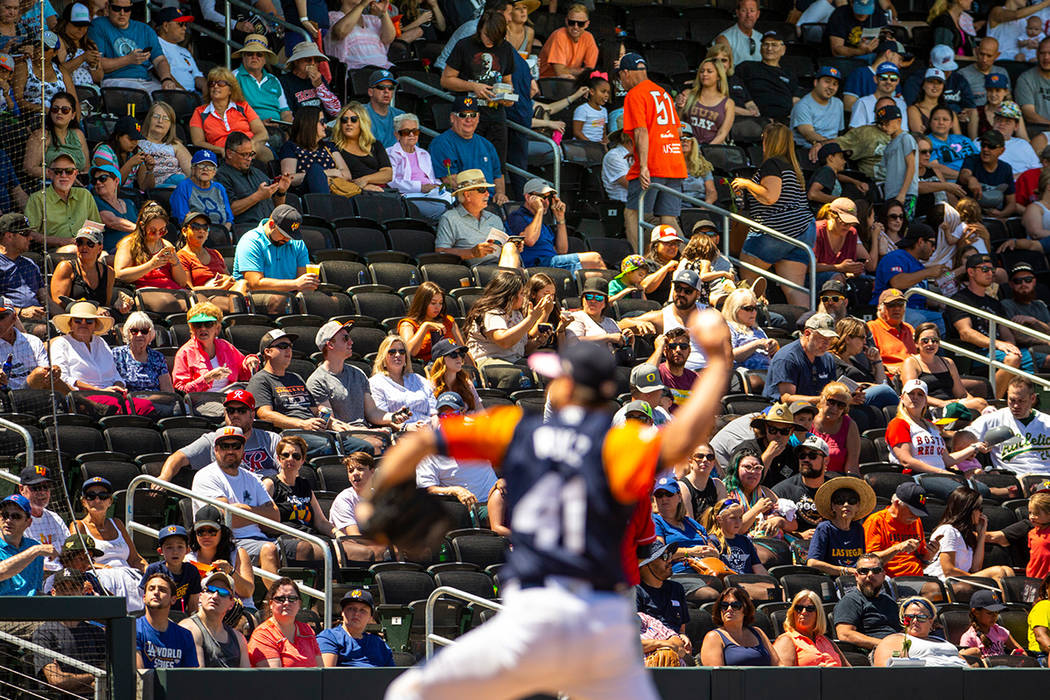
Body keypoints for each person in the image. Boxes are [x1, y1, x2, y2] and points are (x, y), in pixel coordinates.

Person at [374, 310, 732, 700]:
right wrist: (718, 359)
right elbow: (685, 437)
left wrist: (377, 502)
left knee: (409, 693)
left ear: (564, 387)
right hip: (603, 623)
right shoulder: (621, 446)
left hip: (536, 616)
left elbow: (422, 441)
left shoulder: (520, 432)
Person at [249, 329, 372, 457]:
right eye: (283, 346)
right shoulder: (260, 379)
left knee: (364, 447)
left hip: (315, 431)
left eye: (290, 346)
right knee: (328, 447)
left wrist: (327, 418)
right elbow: (265, 414)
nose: (288, 350)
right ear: (268, 352)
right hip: (290, 435)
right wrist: (302, 424)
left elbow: (315, 410)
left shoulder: (295, 378)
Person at [733, 123, 814, 307]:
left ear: (769, 141)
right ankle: (807, 325)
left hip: (778, 229)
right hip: (804, 228)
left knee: (747, 278)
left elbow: (770, 196)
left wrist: (747, 184)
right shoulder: (792, 166)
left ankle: (747, 319)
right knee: (794, 288)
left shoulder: (772, 164)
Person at [947, 253, 1046, 386]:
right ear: (971, 272)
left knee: (1026, 358)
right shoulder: (960, 299)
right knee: (1013, 359)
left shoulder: (995, 303)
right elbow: (966, 333)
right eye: (984, 269)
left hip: (996, 349)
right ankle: (993, 400)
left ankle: (1026, 399)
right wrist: (997, 344)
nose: (990, 273)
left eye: (992, 270)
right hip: (974, 352)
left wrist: (1010, 345)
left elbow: (1006, 333)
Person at [190, 425, 280, 571]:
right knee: (269, 550)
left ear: (243, 449)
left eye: (236, 446)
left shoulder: (252, 478)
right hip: (229, 542)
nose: (230, 451)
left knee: (307, 548)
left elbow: (275, 518)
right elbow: (226, 519)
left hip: (262, 538)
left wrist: (242, 509)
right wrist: (260, 515)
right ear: (216, 449)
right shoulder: (206, 476)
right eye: (225, 446)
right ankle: (278, 594)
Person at [619, 52, 687, 243]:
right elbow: (678, 132)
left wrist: (643, 166)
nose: (621, 82)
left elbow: (641, 131)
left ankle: (639, 260)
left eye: (620, 77)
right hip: (674, 162)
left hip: (654, 163)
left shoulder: (635, 94)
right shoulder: (663, 92)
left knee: (632, 213)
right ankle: (691, 259)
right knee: (669, 219)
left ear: (626, 73)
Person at [308, 320, 407, 446]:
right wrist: (366, 432)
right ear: (330, 345)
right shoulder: (317, 381)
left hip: (365, 432)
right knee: (379, 445)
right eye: (345, 338)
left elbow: (372, 412)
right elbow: (331, 423)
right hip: (343, 437)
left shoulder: (358, 374)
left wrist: (393, 417)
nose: (351, 342)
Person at [441, 8, 516, 167]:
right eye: (487, 36)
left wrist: (508, 96)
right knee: (469, 164)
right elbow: (446, 80)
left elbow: (508, 80)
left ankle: (498, 192)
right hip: (468, 112)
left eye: (495, 39)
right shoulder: (465, 45)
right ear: (480, 28)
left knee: (497, 164)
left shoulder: (505, 48)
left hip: (496, 114)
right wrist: (473, 86)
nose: (490, 41)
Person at [262, 435, 337, 566]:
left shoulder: (304, 485)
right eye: (285, 455)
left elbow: (321, 522)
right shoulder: (270, 484)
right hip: (287, 539)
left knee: (343, 548)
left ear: (302, 460)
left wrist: (339, 535)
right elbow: (263, 521)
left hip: (310, 536)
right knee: (316, 549)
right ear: (279, 459)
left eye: (296, 456)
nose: (290, 459)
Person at [506, 178, 604, 271]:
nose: (546, 203)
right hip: (536, 265)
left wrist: (560, 219)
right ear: (528, 197)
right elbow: (530, 240)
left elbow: (562, 250)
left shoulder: (542, 224)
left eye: (548, 198)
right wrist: (539, 211)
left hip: (552, 263)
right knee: (595, 258)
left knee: (592, 274)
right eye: (543, 197)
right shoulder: (516, 217)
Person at [32, 568, 105, 692]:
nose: (68, 593)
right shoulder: (43, 633)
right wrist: (95, 676)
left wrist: (71, 682)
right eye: (63, 589)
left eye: (73, 588)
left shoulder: (96, 632)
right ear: (53, 592)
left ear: (82, 592)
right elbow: (56, 681)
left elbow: (109, 677)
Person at [465, 269, 550, 372]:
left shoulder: (516, 314)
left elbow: (522, 350)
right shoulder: (491, 312)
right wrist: (531, 319)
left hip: (514, 360)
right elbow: (504, 341)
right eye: (521, 294)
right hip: (489, 361)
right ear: (510, 296)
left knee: (547, 370)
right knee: (513, 374)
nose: (524, 297)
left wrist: (538, 341)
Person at [650, 476, 720, 603]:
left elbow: (713, 550)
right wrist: (691, 551)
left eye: (668, 494)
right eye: (659, 495)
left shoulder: (692, 523)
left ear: (679, 496)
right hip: (678, 574)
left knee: (737, 591)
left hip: (706, 570)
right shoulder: (655, 522)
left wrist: (712, 552)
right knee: (712, 595)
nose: (664, 499)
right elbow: (659, 555)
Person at [962, 376, 1050, 476]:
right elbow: (962, 438)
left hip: (1046, 478)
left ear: (1032, 398)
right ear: (1007, 395)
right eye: (1012, 400)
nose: (1016, 406)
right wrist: (976, 446)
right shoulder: (993, 419)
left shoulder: (1047, 422)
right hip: (1013, 480)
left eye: (1021, 401)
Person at [924, 485, 1013, 585]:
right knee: (999, 572)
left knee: (1007, 571)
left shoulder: (965, 535)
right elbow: (949, 571)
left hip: (959, 582)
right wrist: (973, 579)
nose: (981, 513)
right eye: (979, 508)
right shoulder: (948, 530)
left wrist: (981, 534)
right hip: (943, 583)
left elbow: (976, 568)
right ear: (969, 511)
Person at [87, 0, 180, 93]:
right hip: (115, 81)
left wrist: (166, 79)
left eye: (127, 9)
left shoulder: (145, 29)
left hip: (145, 82)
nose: (122, 13)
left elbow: (160, 60)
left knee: (177, 96)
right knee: (140, 93)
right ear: (107, 7)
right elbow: (97, 64)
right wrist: (128, 59)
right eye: (117, 8)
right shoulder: (98, 25)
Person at [429, 95, 507, 204]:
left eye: (473, 115)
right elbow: (450, 180)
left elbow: (498, 175)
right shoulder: (442, 143)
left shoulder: (486, 144)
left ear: (478, 118)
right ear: (452, 118)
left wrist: (500, 194)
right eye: (463, 115)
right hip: (465, 201)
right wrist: (479, 196)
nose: (468, 119)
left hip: (491, 201)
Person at [871, 224, 945, 333]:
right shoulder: (895, 256)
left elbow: (917, 296)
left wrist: (939, 302)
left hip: (916, 310)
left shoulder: (918, 265)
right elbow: (897, 282)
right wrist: (928, 272)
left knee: (942, 318)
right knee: (924, 320)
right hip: (891, 310)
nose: (933, 249)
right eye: (932, 243)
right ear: (920, 241)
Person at [184, 505, 257, 615]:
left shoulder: (238, 553)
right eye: (201, 531)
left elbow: (247, 592)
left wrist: (231, 572)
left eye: (212, 531)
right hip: (204, 611)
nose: (206, 536)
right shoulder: (188, 559)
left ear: (222, 532)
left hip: (239, 612)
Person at [172, 302, 259, 394]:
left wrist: (250, 361)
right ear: (192, 329)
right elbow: (180, 390)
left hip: (231, 397)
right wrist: (207, 378)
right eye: (197, 325)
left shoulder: (225, 346)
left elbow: (244, 373)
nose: (203, 328)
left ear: (217, 328)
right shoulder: (185, 352)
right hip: (203, 400)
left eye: (208, 324)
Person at [900, 322, 987, 413]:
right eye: (925, 341)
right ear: (916, 343)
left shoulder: (948, 363)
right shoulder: (911, 363)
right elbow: (912, 395)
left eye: (934, 340)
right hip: (929, 410)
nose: (930, 344)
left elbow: (962, 394)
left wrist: (979, 404)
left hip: (951, 405)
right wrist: (942, 403)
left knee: (982, 404)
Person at [232, 204, 319, 294]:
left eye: (291, 236)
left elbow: (304, 284)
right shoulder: (251, 241)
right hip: (253, 297)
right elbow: (254, 284)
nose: (288, 239)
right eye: (284, 235)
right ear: (272, 224)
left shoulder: (297, 243)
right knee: (278, 300)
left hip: (290, 297)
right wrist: (295, 284)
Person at [216, 131, 291, 227]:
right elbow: (228, 211)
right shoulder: (221, 175)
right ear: (229, 154)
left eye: (251, 154)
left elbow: (277, 208)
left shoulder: (257, 172)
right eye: (244, 154)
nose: (249, 158)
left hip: (270, 228)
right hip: (245, 230)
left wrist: (281, 192)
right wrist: (258, 196)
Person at [178, 571, 250, 668]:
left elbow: (247, 679)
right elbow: (195, 677)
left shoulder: (239, 638)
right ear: (200, 596)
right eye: (211, 590)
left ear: (231, 604)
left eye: (223, 592)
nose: (215, 596)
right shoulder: (189, 629)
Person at [24, 153, 100, 244]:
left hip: (85, 249)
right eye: (58, 171)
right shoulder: (38, 199)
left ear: (75, 173)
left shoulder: (85, 195)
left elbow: (96, 227)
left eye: (69, 171)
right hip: (53, 252)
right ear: (50, 173)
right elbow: (30, 233)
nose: (64, 175)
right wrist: (63, 242)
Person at [113, 202, 191, 290]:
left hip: (173, 291)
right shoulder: (129, 244)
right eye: (152, 231)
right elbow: (120, 275)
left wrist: (175, 263)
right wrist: (151, 265)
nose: (157, 235)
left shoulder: (166, 245)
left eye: (162, 231)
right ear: (142, 226)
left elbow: (182, 282)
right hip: (147, 293)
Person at [863, 482, 935, 577]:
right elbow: (870, 562)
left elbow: (923, 564)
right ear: (897, 503)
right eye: (913, 511)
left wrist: (930, 553)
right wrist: (897, 548)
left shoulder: (916, 521)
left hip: (917, 578)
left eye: (919, 513)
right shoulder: (876, 521)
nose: (916, 516)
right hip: (890, 580)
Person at [386, 112, 451, 217]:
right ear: (397, 135)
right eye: (406, 132)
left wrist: (438, 186)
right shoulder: (390, 153)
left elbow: (432, 179)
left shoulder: (424, 153)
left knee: (457, 201)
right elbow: (391, 181)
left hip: (431, 194)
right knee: (444, 210)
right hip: (409, 196)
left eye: (415, 131)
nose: (412, 135)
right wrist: (420, 187)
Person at [873, 596, 970, 667]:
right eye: (909, 617)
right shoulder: (895, 639)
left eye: (921, 617)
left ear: (931, 621)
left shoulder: (944, 642)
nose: (914, 621)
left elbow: (967, 666)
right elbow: (885, 671)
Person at [806, 476, 875, 576]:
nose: (846, 504)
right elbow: (812, 563)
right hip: (833, 581)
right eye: (840, 501)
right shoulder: (825, 528)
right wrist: (844, 571)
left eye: (852, 501)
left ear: (857, 506)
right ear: (833, 506)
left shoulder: (858, 529)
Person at [832, 552, 902, 649]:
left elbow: (901, 629)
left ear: (883, 576)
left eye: (876, 570)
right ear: (856, 576)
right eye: (864, 571)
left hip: (899, 648)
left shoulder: (889, 601)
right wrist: (885, 645)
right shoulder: (850, 601)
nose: (870, 574)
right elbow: (845, 634)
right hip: (872, 653)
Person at [763, 314, 838, 404]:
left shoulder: (827, 358)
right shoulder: (787, 358)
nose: (827, 344)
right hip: (783, 413)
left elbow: (831, 390)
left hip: (816, 411)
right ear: (807, 334)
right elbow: (786, 399)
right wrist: (823, 400)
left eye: (830, 339)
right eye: (822, 338)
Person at [248, 578, 322, 667]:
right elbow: (274, 677)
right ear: (271, 604)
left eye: (292, 598)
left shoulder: (307, 630)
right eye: (280, 599)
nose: (287, 603)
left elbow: (321, 670)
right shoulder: (263, 635)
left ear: (299, 604)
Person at [279, 106, 351, 195]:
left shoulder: (329, 146)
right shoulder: (291, 147)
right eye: (321, 122)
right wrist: (325, 173)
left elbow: (347, 175)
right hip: (308, 196)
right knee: (315, 170)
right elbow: (288, 178)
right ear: (309, 123)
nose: (325, 125)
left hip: (336, 191)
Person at [699, 586, 778, 666]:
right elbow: (716, 675)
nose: (729, 609)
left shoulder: (758, 632)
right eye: (724, 606)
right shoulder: (713, 637)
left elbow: (778, 664)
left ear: (745, 610)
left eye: (735, 605)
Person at [368, 334, 436, 426]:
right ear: (383, 357)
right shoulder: (375, 383)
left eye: (402, 352)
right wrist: (406, 428)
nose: (397, 355)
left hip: (428, 430)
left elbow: (434, 413)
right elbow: (382, 417)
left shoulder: (419, 380)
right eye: (391, 352)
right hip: (400, 432)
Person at [136, 573, 199, 669]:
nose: (156, 592)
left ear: (173, 599)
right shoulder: (133, 629)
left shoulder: (185, 636)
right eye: (151, 589)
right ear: (144, 598)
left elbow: (190, 677)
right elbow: (139, 676)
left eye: (162, 590)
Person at [23, 90, 88, 182]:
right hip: (49, 186)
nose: (59, 112)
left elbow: (86, 169)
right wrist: (60, 175)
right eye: (55, 109)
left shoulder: (78, 134)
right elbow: (29, 168)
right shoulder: (41, 135)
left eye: (65, 110)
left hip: (77, 186)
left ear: (73, 115)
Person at [318, 589, 394, 667]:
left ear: (370, 617)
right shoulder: (330, 637)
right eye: (351, 609)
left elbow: (394, 675)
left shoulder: (379, 643)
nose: (356, 613)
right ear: (342, 612)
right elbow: (327, 674)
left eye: (362, 610)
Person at [774, 589, 850, 666]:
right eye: (799, 608)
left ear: (818, 614)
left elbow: (850, 672)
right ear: (793, 612)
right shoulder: (786, 640)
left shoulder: (828, 642)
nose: (803, 612)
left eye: (810, 609)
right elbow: (784, 676)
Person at [958, 129, 1021, 220]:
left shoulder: (1006, 168)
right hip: (970, 217)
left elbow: (1011, 203)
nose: (985, 149)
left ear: (1002, 150)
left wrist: (1001, 214)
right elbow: (964, 174)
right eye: (983, 145)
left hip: (996, 218)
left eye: (991, 146)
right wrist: (971, 179)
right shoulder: (971, 160)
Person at [398, 283, 466, 363]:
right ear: (422, 303)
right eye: (433, 303)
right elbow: (410, 351)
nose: (437, 307)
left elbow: (463, 351)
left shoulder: (448, 321)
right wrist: (425, 326)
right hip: (425, 368)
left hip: (451, 366)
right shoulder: (408, 324)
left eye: (440, 303)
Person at [0, 494, 54, 596]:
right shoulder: (35, 549)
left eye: (16, 516)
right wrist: (34, 551)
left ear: (28, 522)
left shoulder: (34, 546)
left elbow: (35, 589)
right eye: (5, 515)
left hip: (30, 608)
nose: (8, 520)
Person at [333, 101, 393, 192]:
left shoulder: (375, 145)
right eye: (344, 120)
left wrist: (364, 180)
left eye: (354, 119)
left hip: (381, 192)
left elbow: (388, 174)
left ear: (362, 122)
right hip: (353, 194)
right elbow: (335, 179)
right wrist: (361, 187)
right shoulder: (333, 147)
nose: (348, 123)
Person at [232, 35, 291, 126]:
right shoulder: (233, 77)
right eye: (250, 54)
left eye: (259, 54)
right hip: (248, 130)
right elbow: (230, 112)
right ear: (243, 57)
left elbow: (285, 112)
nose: (254, 57)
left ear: (265, 59)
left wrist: (287, 129)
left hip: (277, 129)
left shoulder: (274, 80)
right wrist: (259, 125)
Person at [0, 213, 48, 324]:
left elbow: (46, 300)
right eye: (25, 233)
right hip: (9, 322)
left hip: (39, 319)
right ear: (9, 236)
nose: (30, 238)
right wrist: (21, 311)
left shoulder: (30, 264)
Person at [140, 525, 200, 614]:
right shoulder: (153, 569)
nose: (175, 552)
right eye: (169, 547)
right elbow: (145, 599)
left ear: (187, 550)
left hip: (181, 618)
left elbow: (193, 605)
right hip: (156, 615)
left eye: (180, 547)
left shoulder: (191, 571)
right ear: (160, 551)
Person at [176, 213, 242, 293]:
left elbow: (229, 278)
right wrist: (219, 289)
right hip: (204, 298)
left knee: (243, 283)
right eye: (195, 227)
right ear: (184, 231)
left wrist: (226, 278)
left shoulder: (215, 253)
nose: (201, 231)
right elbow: (189, 289)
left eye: (205, 227)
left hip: (225, 293)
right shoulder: (181, 257)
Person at [635, 541, 690, 636]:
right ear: (646, 564)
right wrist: (667, 643)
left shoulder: (676, 588)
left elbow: (682, 628)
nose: (669, 560)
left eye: (670, 555)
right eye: (664, 557)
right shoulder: (634, 592)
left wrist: (683, 636)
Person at [170, 150, 234, 230]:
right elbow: (183, 219)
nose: (205, 169)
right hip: (196, 234)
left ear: (214, 172)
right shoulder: (184, 187)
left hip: (220, 234)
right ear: (193, 168)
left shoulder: (219, 188)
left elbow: (229, 219)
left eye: (210, 167)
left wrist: (225, 232)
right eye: (201, 165)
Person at [112, 312, 174, 393]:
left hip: (156, 402)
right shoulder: (117, 354)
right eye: (134, 331)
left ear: (150, 334)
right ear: (128, 333)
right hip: (130, 402)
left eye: (144, 331)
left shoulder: (157, 357)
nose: (139, 335)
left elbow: (167, 389)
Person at [875, 103, 918, 218]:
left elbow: (911, 166)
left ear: (898, 121)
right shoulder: (888, 145)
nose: (884, 127)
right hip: (891, 194)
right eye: (881, 124)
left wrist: (902, 193)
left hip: (906, 193)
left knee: (904, 224)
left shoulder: (906, 138)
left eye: (886, 123)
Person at [0, 301, 54, 392]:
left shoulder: (33, 341)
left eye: (0, 317)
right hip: (4, 398)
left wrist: (54, 372)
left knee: (47, 374)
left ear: (14, 318)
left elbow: (45, 374)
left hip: (34, 395)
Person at [326, 0, 395, 71]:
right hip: (358, 73)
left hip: (385, 71)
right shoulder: (333, 16)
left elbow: (388, 39)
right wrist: (362, 5)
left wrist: (383, 13)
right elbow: (340, 32)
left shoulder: (372, 19)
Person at [138, 101, 190, 193]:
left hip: (178, 181)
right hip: (154, 187)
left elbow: (191, 171)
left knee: (185, 182)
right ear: (149, 119)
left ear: (171, 125)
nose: (160, 121)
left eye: (165, 118)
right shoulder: (138, 142)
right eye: (156, 116)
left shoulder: (175, 145)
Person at [279, 41, 341, 119]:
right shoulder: (285, 82)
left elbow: (336, 111)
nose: (313, 63)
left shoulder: (319, 78)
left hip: (323, 125)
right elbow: (288, 115)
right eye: (308, 60)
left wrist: (320, 86)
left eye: (316, 61)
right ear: (296, 61)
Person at [959, 589, 1025, 661]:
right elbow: (964, 662)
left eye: (996, 612)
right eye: (989, 613)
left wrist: (1013, 659)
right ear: (975, 612)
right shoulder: (969, 637)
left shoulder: (1000, 630)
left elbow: (1022, 652)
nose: (994, 616)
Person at [810, 382, 861, 475]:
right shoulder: (808, 419)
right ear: (822, 399)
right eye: (831, 402)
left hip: (836, 481)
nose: (835, 408)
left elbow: (852, 466)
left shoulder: (849, 425)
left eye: (841, 405)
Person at [538, 4, 598, 79]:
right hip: (548, 80)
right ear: (566, 21)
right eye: (572, 22)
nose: (575, 27)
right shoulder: (559, 35)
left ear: (587, 24)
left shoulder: (588, 37)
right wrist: (581, 71)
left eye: (580, 24)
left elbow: (589, 71)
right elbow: (560, 73)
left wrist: (569, 71)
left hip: (570, 81)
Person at [792, 67, 845, 151]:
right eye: (827, 82)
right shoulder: (802, 105)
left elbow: (840, 132)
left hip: (831, 149)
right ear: (816, 82)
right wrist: (826, 143)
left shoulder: (838, 104)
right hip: (807, 150)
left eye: (835, 84)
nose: (831, 87)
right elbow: (808, 133)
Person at [866, 288, 916, 377]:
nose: (896, 308)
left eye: (900, 304)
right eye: (891, 305)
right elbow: (868, 361)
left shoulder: (909, 328)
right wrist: (886, 367)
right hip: (889, 377)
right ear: (880, 308)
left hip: (913, 374)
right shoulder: (872, 327)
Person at [842, 40, 904, 109]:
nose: (901, 64)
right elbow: (848, 106)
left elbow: (901, 107)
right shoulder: (860, 73)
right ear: (888, 53)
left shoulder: (894, 78)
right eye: (900, 59)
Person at [153, 6, 201, 93]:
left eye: (185, 24)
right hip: (172, 94)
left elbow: (197, 76)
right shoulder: (155, 44)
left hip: (193, 94)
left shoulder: (185, 51)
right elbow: (157, 70)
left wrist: (207, 90)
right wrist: (184, 93)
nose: (185, 28)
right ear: (166, 26)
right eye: (180, 24)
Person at [90, 164, 137, 253]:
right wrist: (143, 230)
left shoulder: (129, 203)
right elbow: (112, 222)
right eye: (94, 181)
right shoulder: (95, 201)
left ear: (116, 181)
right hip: (114, 251)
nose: (98, 183)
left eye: (103, 178)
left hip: (136, 246)